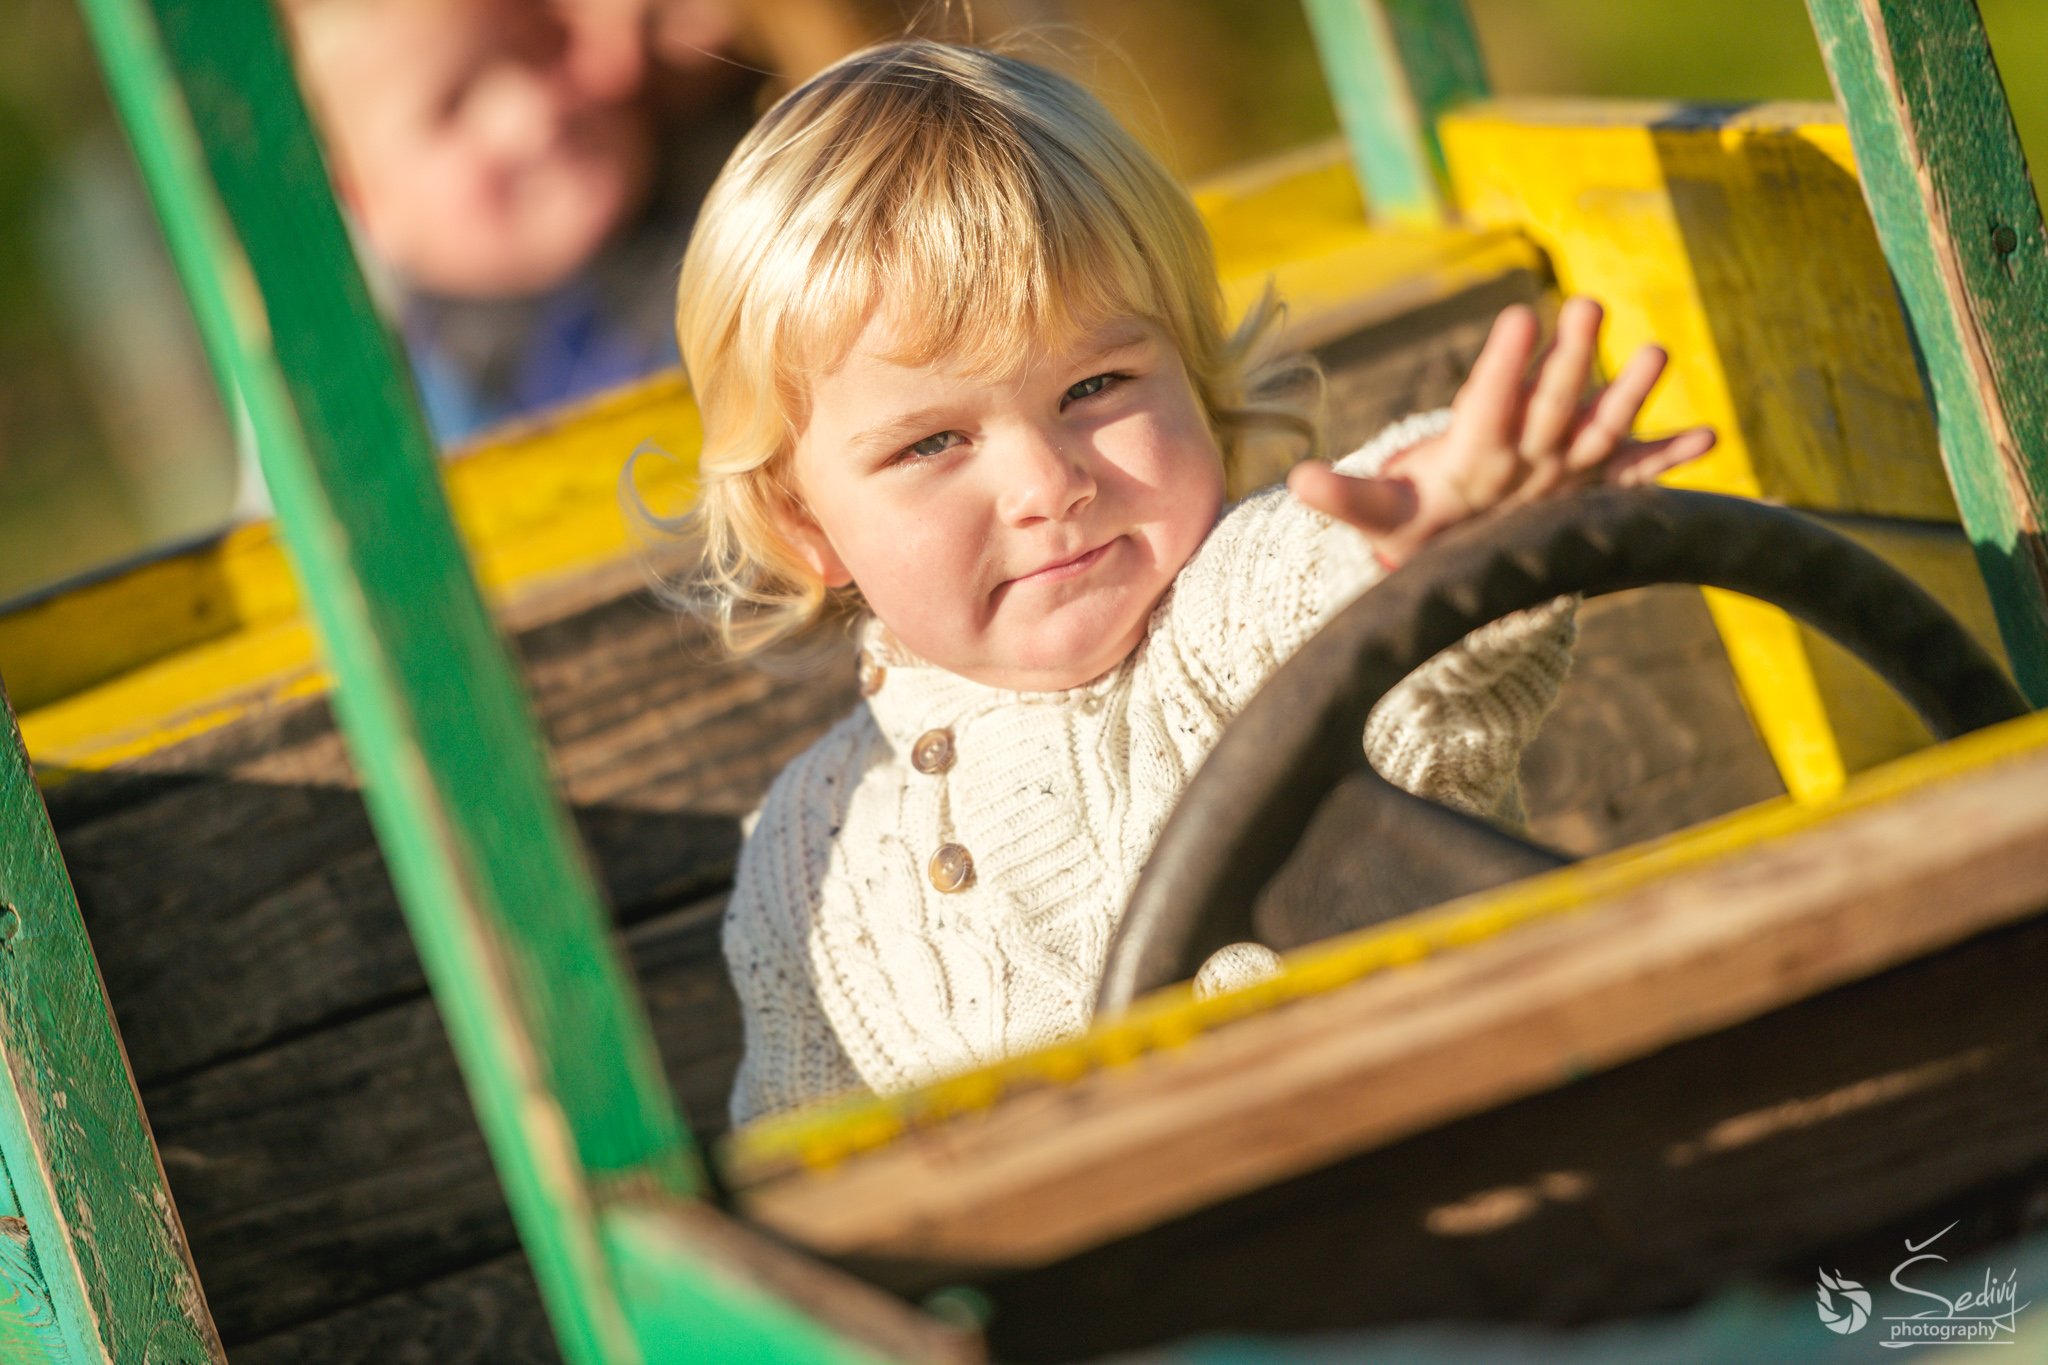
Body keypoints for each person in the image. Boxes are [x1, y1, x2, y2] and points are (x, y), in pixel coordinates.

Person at [662, 41, 1716, 1127]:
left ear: (1197, 386)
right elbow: (812, 1176)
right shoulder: (804, 860)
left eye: (1096, 384)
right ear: (803, 526)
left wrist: (1442, 524)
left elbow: (1331, 578)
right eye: (930, 444)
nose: (1045, 484)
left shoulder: (1221, 632)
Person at [283, 0, 758, 442]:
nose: (533, 110)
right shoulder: (424, 429)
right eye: (452, 106)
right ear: (365, 204)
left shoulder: (755, 165)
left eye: (536, 46)